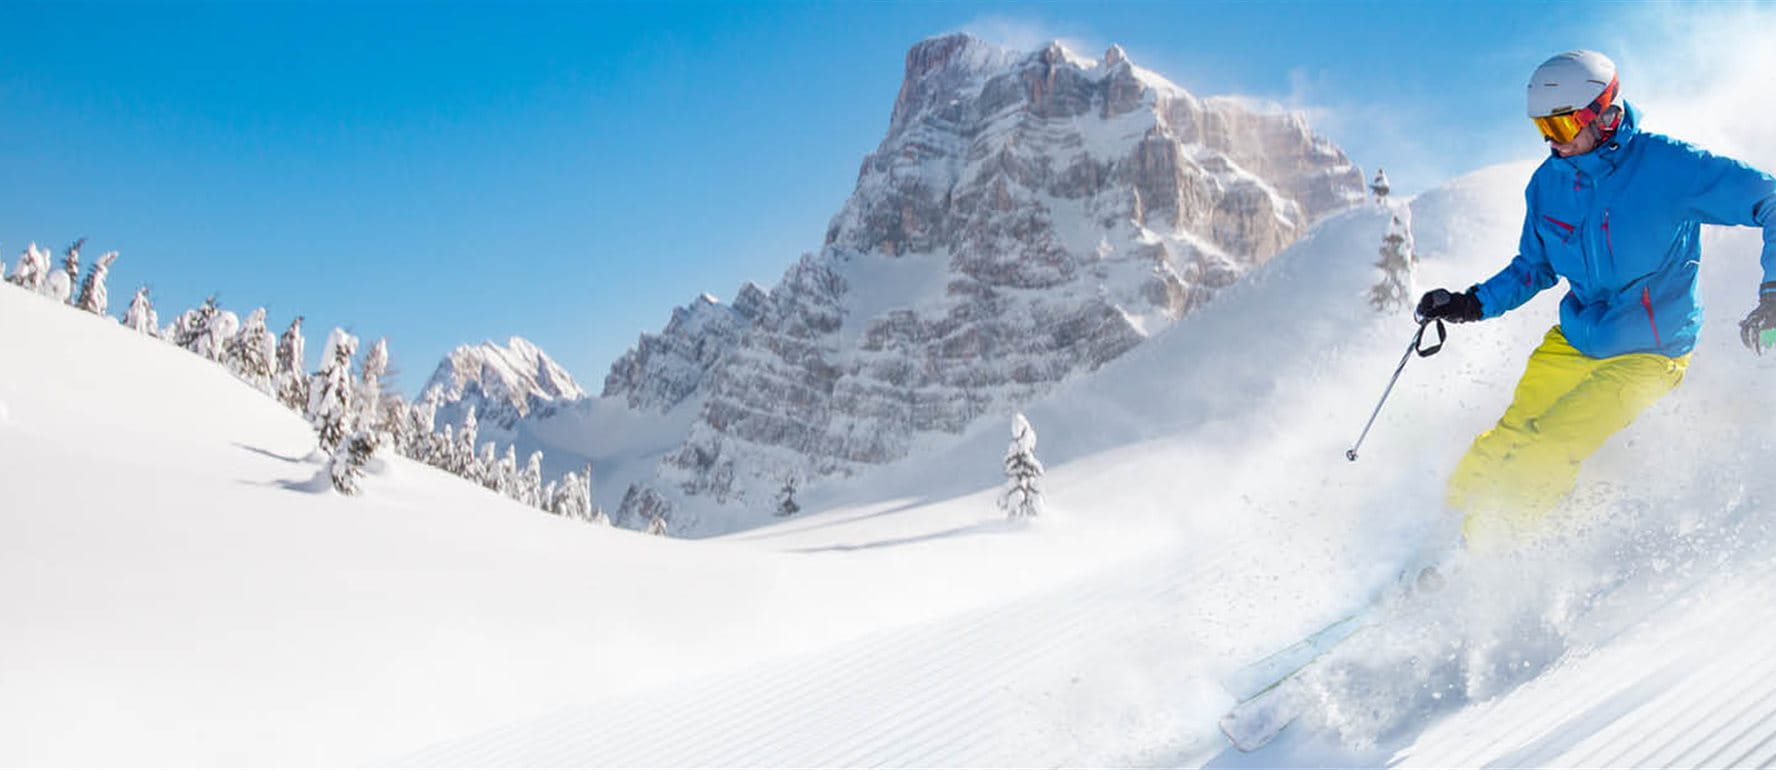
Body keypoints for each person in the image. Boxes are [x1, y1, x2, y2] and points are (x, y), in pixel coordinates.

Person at [1416, 50, 1776, 551]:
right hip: (1579, 336)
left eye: (1561, 126)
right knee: (1512, 432)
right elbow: (1533, 267)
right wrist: (1471, 303)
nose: (1550, 141)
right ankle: (1438, 533)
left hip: (1649, 353)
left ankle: (1487, 553)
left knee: (1551, 442)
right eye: (1542, 127)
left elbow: (1769, 199)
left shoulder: (1668, 167)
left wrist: (1773, 291)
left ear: (1604, 113)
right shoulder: (1548, 184)